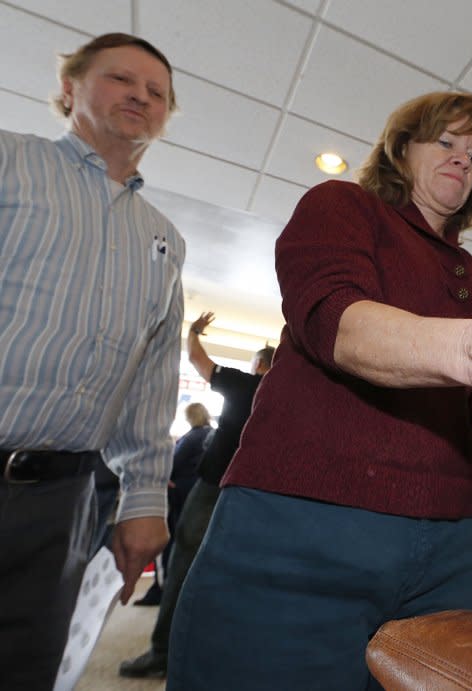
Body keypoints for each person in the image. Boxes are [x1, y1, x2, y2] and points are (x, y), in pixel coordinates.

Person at [167, 91, 472, 690]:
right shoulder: (343, 207)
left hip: (446, 550)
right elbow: (337, 322)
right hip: (302, 525)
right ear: (401, 149)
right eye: (447, 141)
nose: (465, 158)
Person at [0, 32, 183, 690]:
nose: (140, 95)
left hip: (64, 500)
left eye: (156, 91)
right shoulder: (9, 161)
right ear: (70, 87)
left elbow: (154, 378)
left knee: (28, 665)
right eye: (121, 80)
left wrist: (143, 501)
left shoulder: (165, 238)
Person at [120, 314, 274, 678]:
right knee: (239, 575)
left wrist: (192, 333)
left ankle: (163, 653)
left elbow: (197, 360)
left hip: (212, 489)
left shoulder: (243, 385)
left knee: (184, 565)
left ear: (260, 365)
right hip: (256, 496)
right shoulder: (289, 400)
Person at [134, 402, 213, 607]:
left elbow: (173, 463)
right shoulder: (210, 434)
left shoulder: (192, 437)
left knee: (170, 541)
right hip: (196, 492)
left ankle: (161, 590)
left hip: (179, 493)